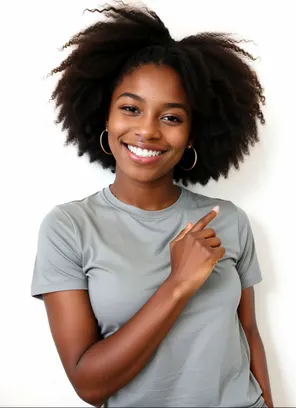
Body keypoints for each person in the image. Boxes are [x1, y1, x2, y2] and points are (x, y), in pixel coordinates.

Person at [30, 2, 273, 407]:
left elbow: (248, 332)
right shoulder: (69, 227)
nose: (147, 130)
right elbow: (89, 385)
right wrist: (179, 283)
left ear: (193, 134)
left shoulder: (228, 219)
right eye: (130, 108)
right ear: (103, 116)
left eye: (172, 118)